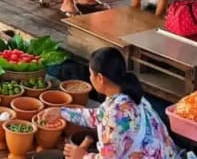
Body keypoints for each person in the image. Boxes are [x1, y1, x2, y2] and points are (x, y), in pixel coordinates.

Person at [40, 48, 180, 159]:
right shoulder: (129, 96)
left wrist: (83, 156)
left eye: (90, 74)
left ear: (100, 78)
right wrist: (62, 112)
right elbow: (98, 116)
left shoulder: (116, 114)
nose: (90, 78)